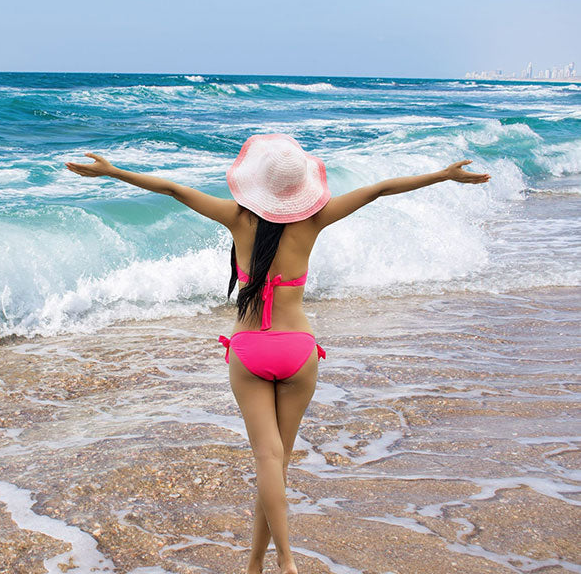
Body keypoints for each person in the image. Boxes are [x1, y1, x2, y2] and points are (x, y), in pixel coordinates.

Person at [64, 133, 490, 574]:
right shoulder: (315, 221)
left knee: (267, 462)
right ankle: (258, 563)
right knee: (277, 466)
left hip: (248, 351)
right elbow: (379, 189)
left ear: (256, 185)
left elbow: (172, 189)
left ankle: (283, 561)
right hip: (298, 351)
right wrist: (443, 176)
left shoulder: (236, 218)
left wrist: (112, 171)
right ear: (299, 189)